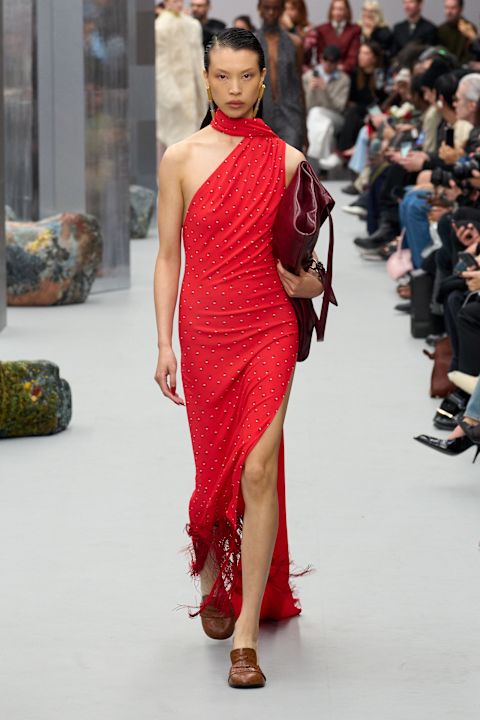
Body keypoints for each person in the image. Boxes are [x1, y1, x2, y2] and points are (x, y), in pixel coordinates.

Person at [154, 27, 324, 688]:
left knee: (257, 468)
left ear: (262, 80)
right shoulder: (179, 158)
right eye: (221, 76)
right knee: (214, 472)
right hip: (203, 331)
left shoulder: (288, 161)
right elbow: (168, 257)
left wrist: (308, 285)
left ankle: (246, 636)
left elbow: (309, 267)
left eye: (245, 76)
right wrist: (163, 341)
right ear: (206, 79)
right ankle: (211, 576)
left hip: (268, 329)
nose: (233, 88)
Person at [254, 0, 306, 150]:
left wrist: (304, 129)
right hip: (261, 115)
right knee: (263, 163)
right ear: (260, 9)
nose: (271, 13)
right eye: (267, 8)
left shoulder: (295, 43)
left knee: (290, 161)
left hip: (290, 115)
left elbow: (299, 84)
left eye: (275, 8)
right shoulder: (250, 44)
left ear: (282, 10)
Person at [155, 0, 206, 151]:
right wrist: (171, 96)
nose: (178, 3)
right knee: (175, 143)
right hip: (174, 95)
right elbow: (161, 65)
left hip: (195, 93)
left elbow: (199, 59)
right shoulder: (160, 27)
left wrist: (205, 88)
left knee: (196, 141)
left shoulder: (192, 25)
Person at [304, 44, 350, 170]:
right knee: (325, 125)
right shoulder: (308, 76)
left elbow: (339, 108)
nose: (328, 64)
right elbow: (306, 106)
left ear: (337, 63)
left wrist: (325, 91)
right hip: (312, 117)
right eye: (325, 60)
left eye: (332, 62)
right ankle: (324, 159)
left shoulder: (344, 79)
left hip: (335, 117)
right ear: (320, 58)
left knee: (316, 112)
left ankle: (312, 156)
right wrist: (310, 91)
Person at [305, 0, 361, 74]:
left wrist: (341, 68)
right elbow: (320, 55)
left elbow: (353, 56)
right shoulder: (321, 30)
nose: (337, 12)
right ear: (331, 11)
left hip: (346, 72)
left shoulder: (354, 30)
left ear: (347, 11)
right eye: (335, 9)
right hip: (325, 71)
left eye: (341, 9)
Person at [437, 0, 477, 66]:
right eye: (446, 7)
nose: (449, 12)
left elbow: (471, 55)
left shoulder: (469, 29)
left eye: (453, 8)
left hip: (464, 68)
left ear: (460, 9)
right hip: (444, 67)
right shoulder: (440, 30)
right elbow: (439, 51)